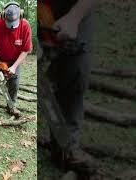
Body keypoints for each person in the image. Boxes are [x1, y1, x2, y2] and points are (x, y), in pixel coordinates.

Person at [39, 0, 98, 174]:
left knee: (75, 71)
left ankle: (66, 148)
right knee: (41, 87)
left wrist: (74, 17)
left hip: (73, 8)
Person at [0, 1, 32, 117]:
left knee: (14, 84)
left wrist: (14, 67)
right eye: (8, 22)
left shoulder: (25, 26)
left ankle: (11, 106)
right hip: (0, 59)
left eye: (13, 23)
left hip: (15, 60)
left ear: (20, 15)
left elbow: (26, 50)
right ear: (3, 15)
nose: (11, 25)